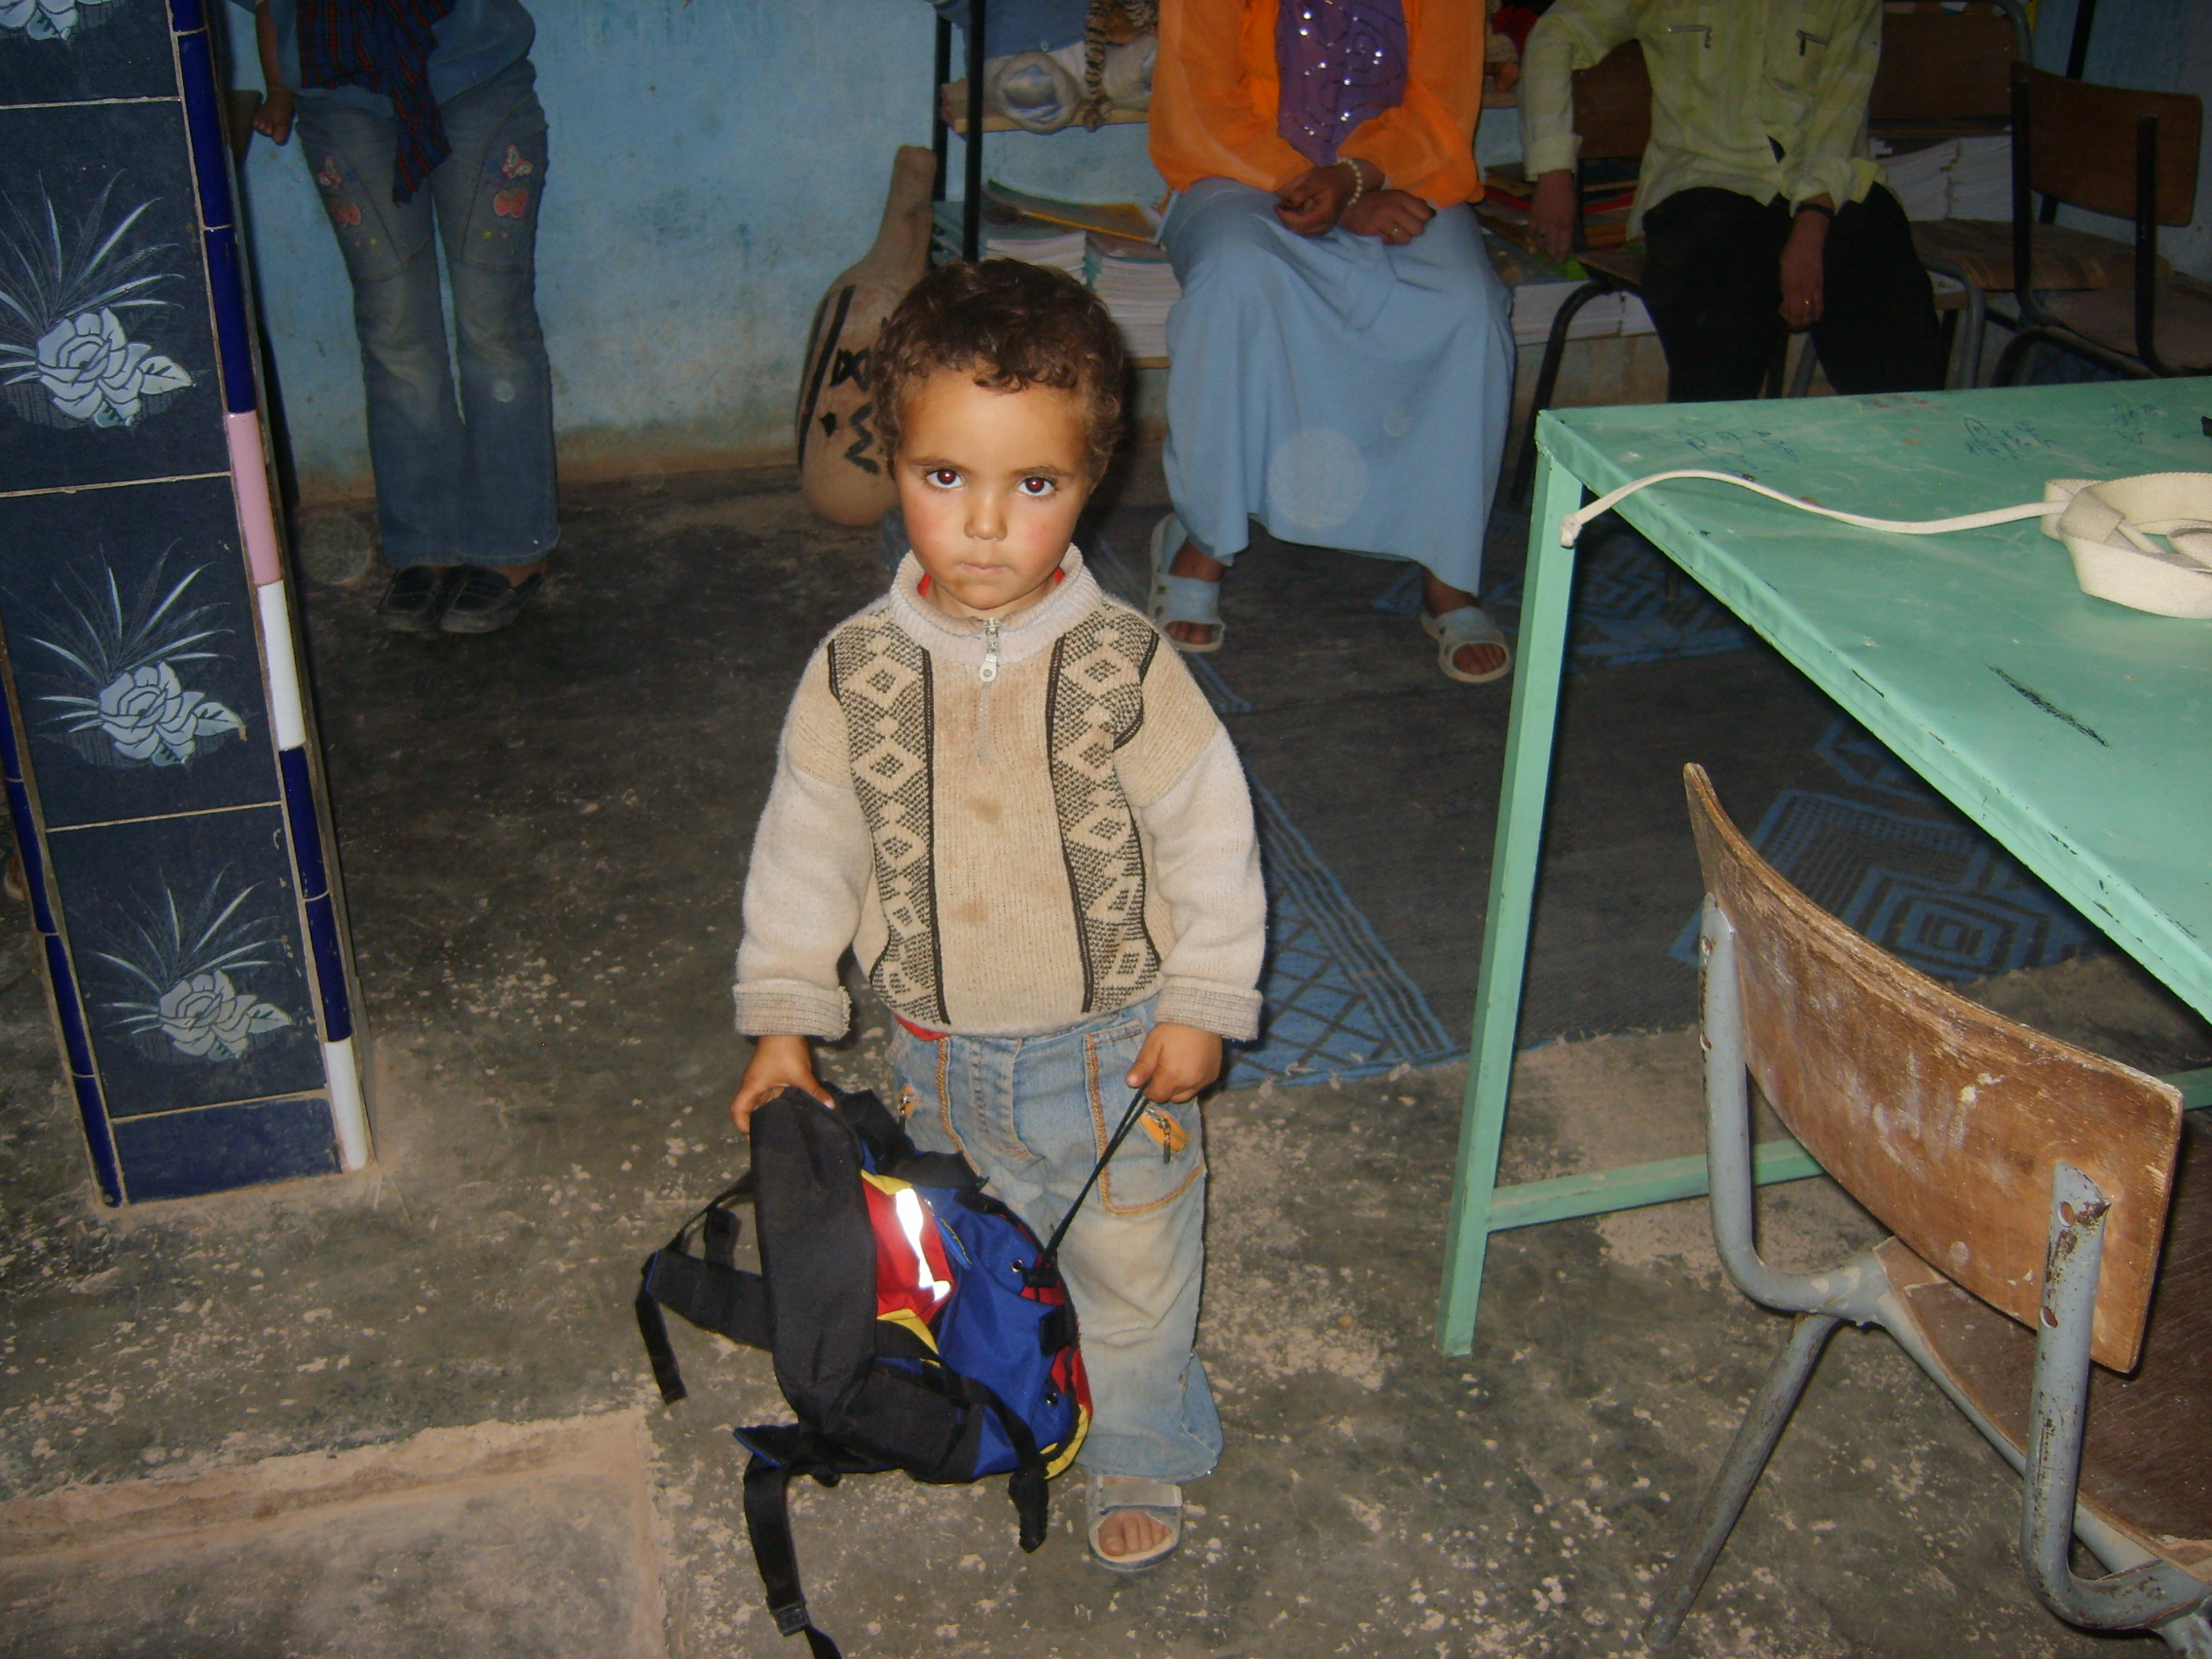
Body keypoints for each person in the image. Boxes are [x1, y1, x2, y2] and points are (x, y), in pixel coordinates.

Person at [728, 261, 1265, 1574]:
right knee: (980, 1249)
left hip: (1115, 1050)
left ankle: (1138, 1436)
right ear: (894, 459)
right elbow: (807, 848)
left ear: (1092, 479)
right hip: (934, 1052)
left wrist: (1205, 1002)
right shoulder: (852, 672)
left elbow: (1210, 837)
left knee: (1131, 1264)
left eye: (1034, 485)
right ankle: (1014, 1400)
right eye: (944, 478)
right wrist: (786, 1019)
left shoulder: (1126, 665)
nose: (983, 526)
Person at [1146, 0, 1517, 684]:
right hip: (1241, 176)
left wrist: (1356, 178)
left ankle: (1448, 571)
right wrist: (1322, 190)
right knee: (1236, 280)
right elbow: (1198, 105)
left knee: (1469, 308)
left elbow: (1444, 107)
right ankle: (1202, 541)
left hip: (1397, 178)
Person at [244, 0, 557, 634]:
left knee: (493, 330)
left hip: (477, 84)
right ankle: (426, 548)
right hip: (339, 98)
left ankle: (512, 549)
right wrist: (278, 85)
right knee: (394, 333)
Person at [1520, 0, 1947, 402]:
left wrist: (1812, 222)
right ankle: (1707, 462)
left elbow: (1842, 115)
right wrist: (1555, 169)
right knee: (1721, 279)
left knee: (1875, 249)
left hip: (1822, 181)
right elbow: (1556, 33)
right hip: (1704, 178)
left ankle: (1905, 453)